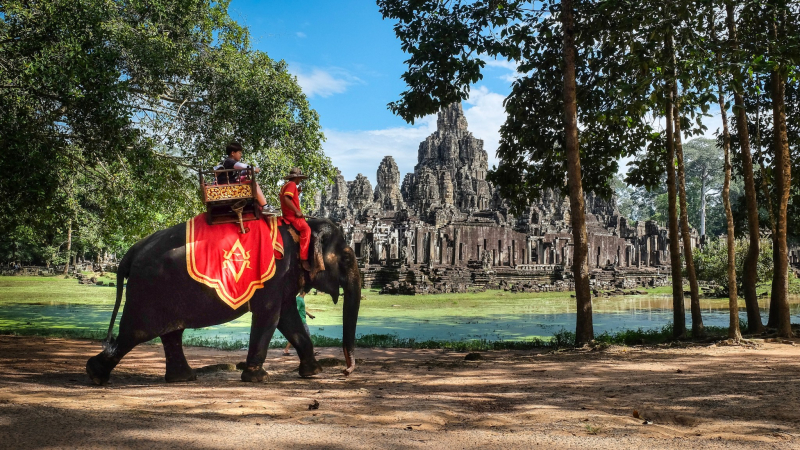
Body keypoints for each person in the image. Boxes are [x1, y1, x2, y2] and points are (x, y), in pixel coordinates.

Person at [216, 142, 268, 210]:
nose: (241, 155)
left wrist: (247, 172)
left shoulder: (229, 162)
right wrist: (254, 169)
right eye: (239, 153)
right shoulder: (229, 161)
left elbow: (237, 173)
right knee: (254, 184)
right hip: (228, 188)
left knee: (246, 180)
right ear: (233, 153)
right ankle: (265, 206)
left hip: (229, 186)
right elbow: (241, 166)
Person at [280, 167, 312, 271]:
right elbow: (286, 198)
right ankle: (304, 258)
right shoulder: (292, 184)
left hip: (287, 215)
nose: (300, 181)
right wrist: (297, 211)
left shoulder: (285, 185)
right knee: (306, 230)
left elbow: (289, 198)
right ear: (297, 178)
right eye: (300, 178)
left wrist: (297, 193)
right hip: (292, 216)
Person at [283, 290, 315, 356]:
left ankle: (286, 350)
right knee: (307, 335)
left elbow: (301, 309)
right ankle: (311, 351)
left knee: (295, 336)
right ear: (304, 291)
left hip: (301, 319)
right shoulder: (299, 299)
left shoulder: (299, 299)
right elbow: (296, 309)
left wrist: (309, 315)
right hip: (301, 320)